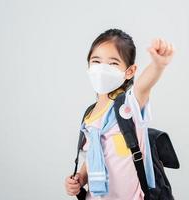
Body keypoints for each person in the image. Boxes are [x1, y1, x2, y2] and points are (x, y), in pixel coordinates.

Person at [64, 28, 175, 200]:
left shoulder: (128, 107)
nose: (102, 68)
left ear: (129, 71)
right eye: (96, 61)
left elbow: (142, 87)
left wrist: (158, 65)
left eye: (113, 63)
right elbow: (94, 155)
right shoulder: (89, 116)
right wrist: (80, 178)